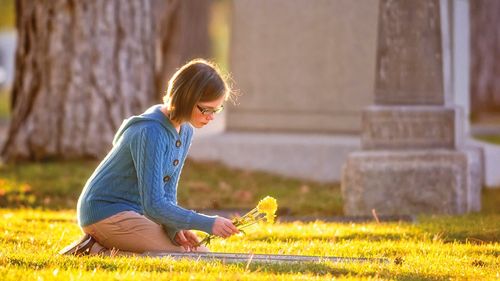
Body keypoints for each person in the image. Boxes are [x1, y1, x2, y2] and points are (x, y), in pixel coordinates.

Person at [59, 59, 239, 256]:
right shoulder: (150, 131)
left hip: (136, 213)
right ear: (186, 98)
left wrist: (174, 228)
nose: (211, 117)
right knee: (186, 257)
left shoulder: (185, 130)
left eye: (216, 110)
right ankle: (93, 250)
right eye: (206, 109)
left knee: (200, 253)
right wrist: (208, 223)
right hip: (106, 213)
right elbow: (153, 204)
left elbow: (167, 195)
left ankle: (101, 248)